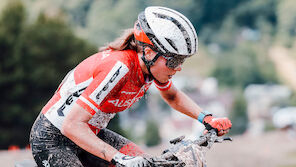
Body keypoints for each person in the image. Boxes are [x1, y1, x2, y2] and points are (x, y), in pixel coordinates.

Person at [30, 6, 232, 167]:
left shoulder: (149, 70)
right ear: (150, 53)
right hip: (54, 138)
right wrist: (118, 157)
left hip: (91, 133)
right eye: (173, 61)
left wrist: (206, 118)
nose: (178, 68)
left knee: (148, 164)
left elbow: (172, 96)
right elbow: (71, 125)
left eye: (182, 61)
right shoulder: (120, 67)